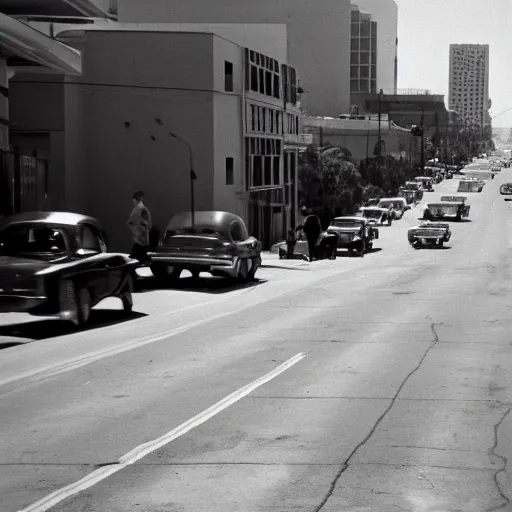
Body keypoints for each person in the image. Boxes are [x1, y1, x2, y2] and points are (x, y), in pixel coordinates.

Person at [127, 190, 152, 264]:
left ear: (136, 199)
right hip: (141, 239)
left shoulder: (139, 209)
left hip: (140, 240)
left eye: (133, 200)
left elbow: (135, 220)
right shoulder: (142, 208)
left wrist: (131, 224)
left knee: (135, 260)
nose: (133, 202)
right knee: (139, 259)